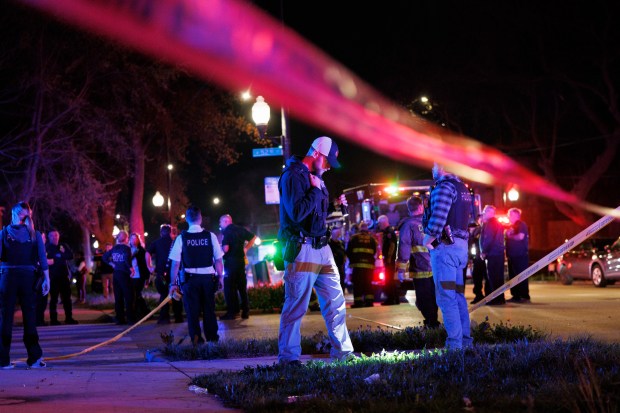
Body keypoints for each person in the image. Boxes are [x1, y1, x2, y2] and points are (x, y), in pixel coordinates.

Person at [277, 136, 354, 364]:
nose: (330, 166)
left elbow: (314, 214)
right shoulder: (293, 175)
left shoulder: (315, 178)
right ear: (317, 154)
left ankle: (344, 353)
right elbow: (297, 212)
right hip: (302, 248)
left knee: (336, 302)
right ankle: (289, 360)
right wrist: (317, 191)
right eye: (328, 161)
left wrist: (333, 206)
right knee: (296, 306)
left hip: (322, 248)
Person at [422, 162, 472, 349]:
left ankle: (454, 347)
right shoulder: (463, 189)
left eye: (434, 165)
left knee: (446, 297)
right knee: (458, 296)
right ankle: (465, 343)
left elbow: (437, 221)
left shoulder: (444, 187)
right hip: (460, 249)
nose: (432, 168)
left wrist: (427, 240)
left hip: (445, 249)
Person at [0, 201, 50, 368]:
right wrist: (46, 279)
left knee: (5, 317)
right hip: (27, 277)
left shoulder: (4, 233)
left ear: (14, 214)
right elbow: (42, 259)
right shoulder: (34, 234)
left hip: (8, 277)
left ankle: (3, 360)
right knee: (29, 316)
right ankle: (34, 358)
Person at [169, 206, 224, 345]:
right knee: (209, 310)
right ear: (200, 219)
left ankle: (197, 340)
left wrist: (173, 284)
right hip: (208, 280)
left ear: (187, 219)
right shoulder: (210, 236)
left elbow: (175, 264)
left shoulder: (182, 238)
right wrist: (220, 277)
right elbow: (218, 260)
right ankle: (212, 339)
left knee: (192, 312)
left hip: (190, 280)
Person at [397, 196, 440, 328]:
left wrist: (401, 269)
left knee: (422, 299)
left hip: (420, 269)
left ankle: (432, 323)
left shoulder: (408, 225)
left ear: (409, 209)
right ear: (421, 206)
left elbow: (404, 246)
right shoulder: (430, 222)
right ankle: (432, 322)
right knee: (433, 297)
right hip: (435, 267)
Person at [218, 214, 256, 320]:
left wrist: (219, 252)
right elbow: (253, 238)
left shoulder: (226, 232)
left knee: (230, 288)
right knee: (242, 288)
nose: (220, 225)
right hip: (240, 262)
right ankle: (245, 311)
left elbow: (225, 249)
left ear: (225, 221)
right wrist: (245, 249)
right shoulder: (240, 229)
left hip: (230, 263)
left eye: (220, 222)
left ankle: (232, 312)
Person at [147, 224, 183, 324]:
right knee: (176, 294)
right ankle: (178, 317)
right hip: (174, 274)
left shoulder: (156, 242)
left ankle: (164, 318)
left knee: (163, 294)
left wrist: (149, 266)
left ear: (161, 232)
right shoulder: (174, 242)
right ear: (170, 232)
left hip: (162, 274)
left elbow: (147, 253)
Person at [46, 229, 78, 325]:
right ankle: (53, 320)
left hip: (64, 276)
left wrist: (62, 254)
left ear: (58, 236)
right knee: (54, 299)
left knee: (67, 298)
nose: (54, 237)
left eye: (56, 235)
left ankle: (69, 318)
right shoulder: (47, 247)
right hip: (53, 277)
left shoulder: (63, 246)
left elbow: (70, 256)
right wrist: (59, 257)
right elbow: (45, 259)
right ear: (49, 237)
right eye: (52, 236)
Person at [103, 230, 135, 324]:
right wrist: (131, 269)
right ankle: (130, 319)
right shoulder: (126, 248)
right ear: (126, 238)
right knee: (129, 296)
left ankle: (119, 318)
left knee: (118, 297)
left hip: (116, 274)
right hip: (124, 274)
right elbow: (126, 259)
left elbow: (104, 257)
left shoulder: (114, 248)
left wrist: (112, 264)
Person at [346, 221, 377, 308]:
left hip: (357, 266)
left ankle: (358, 302)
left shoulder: (354, 238)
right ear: (367, 228)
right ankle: (369, 302)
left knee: (358, 284)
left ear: (360, 228)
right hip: (369, 266)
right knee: (368, 284)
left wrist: (352, 261)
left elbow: (348, 251)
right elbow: (374, 252)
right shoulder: (372, 239)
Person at [480, 205, 506, 305]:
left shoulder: (490, 224)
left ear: (490, 213)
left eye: (485, 211)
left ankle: (494, 299)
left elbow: (488, 239)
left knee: (493, 277)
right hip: (498, 253)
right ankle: (500, 298)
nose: (483, 213)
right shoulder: (497, 223)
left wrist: (484, 251)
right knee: (499, 277)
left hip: (492, 253)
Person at [506, 207, 530, 303]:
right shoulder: (512, 226)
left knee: (521, 275)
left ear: (516, 215)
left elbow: (520, 237)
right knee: (513, 276)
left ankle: (524, 295)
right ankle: (515, 295)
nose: (509, 217)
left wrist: (509, 236)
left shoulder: (521, 224)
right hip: (512, 255)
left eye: (510, 214)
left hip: (520, 255)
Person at [129, 233, 154, 320]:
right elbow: (127, 261)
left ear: (138, 240)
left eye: (135, 239)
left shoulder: (141, 251)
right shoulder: (128, 250)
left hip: (139, 275)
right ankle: (143, 311)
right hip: (130, 276)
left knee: (136, 293)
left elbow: (145, 265)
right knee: (136, 294)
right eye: (132, 238)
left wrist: (147, 278)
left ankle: (141, 311)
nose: (133, 240)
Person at [377, 215, 399, 306]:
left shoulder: (389, 232)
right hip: (389, 260)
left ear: (383, 222)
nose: (379, 225)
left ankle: (391, 299)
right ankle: (395, 299)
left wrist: (389, 258)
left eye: (379, 223)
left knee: (389, 280)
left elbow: (392, 245)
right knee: (391, 280)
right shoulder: (388, 231)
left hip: (389, 260)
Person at [468, 214, 488, 304]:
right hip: (478, 257)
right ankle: (479, 295)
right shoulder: (477, 229)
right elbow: (472, 242)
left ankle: (487, 295)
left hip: (483, 256)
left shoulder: (485, 229)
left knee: (485, 277)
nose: (481, 221)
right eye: (480, 219)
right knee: (477, 277)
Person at [328, 226, 347, 292]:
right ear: (332, 234)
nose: (337, 235)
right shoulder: (329, 244)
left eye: (338, 233)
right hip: (331, 268)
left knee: (341, 283)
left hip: (340, 267)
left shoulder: (341, 244)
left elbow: (344, 254)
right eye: (336, 233)